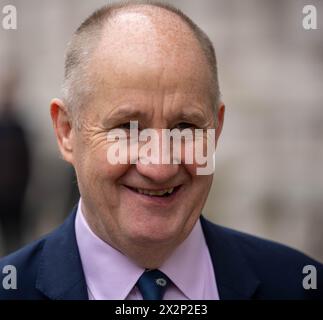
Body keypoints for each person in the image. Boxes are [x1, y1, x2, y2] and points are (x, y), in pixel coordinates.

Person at [0, 1, 322, 300]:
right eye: (127, 128)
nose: (160, 166)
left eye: (185, 128)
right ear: (67, 131)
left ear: (216, 130)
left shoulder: (300, 286)